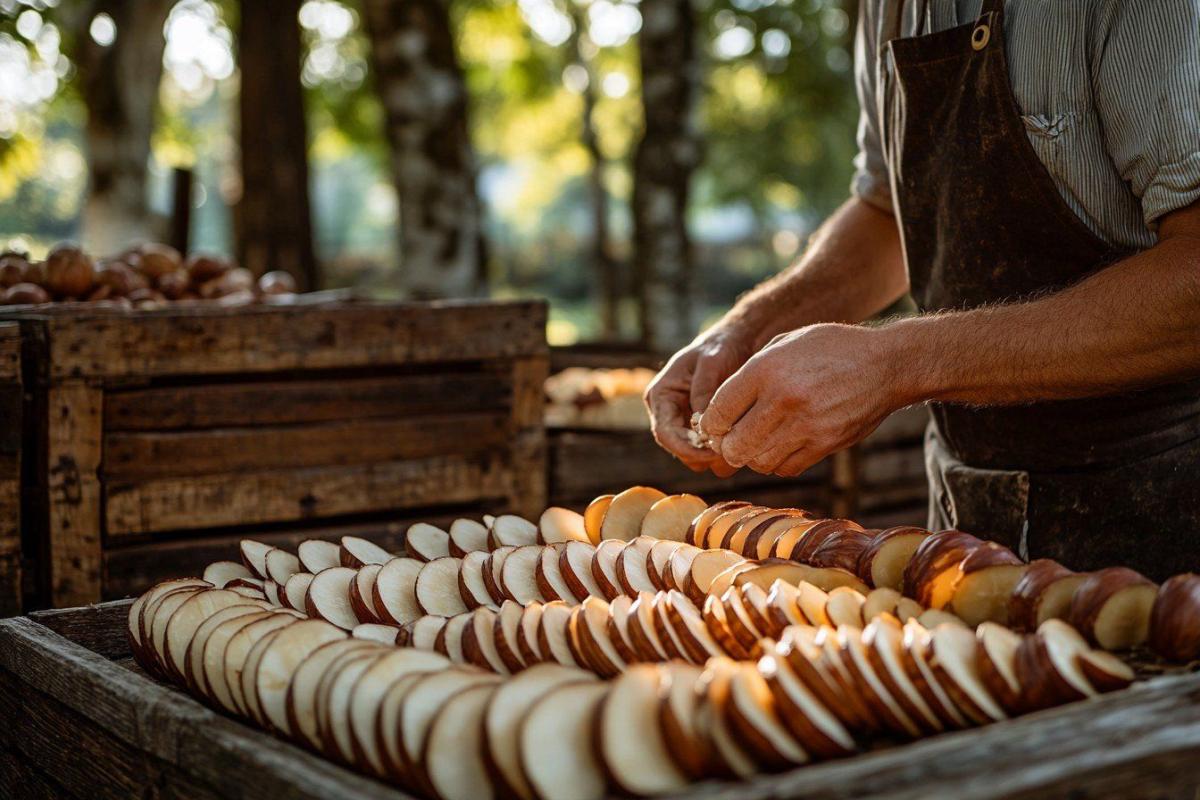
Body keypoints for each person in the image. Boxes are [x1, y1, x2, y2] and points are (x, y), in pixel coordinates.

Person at [644, 0, 1200, 581]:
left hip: (1161, 522)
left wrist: (896, 362)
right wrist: (745, 332)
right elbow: (888, 210)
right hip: (967, 516)